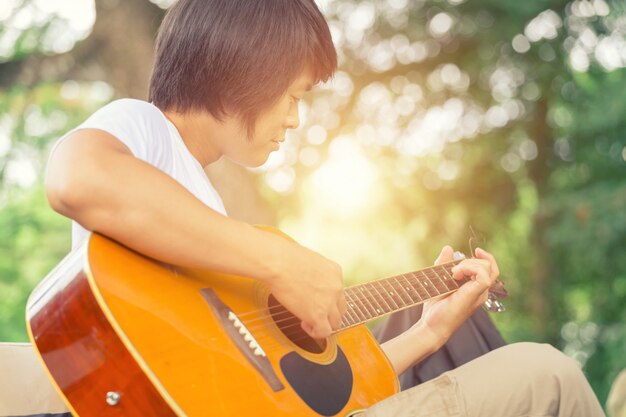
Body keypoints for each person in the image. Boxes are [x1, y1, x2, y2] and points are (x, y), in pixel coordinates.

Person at [44, 0, 606, 416]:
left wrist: (430, 332)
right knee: (548, 374)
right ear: (246, 68)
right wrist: (279, 259)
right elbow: (78, 177)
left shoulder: (207, 212)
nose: (293, 119)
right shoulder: (147, 130)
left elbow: (304, 399)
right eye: (293, 96)